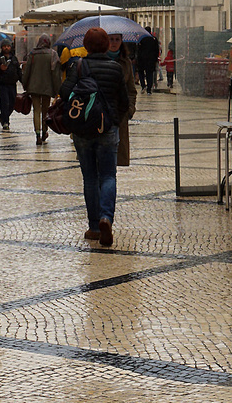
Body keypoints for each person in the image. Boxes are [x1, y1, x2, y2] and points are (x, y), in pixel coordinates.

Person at [60, 28, 128, 248]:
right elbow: (124, 101)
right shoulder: (115, 68)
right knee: (108, 176)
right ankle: (106, 217)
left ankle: (94, 227)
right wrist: (115, 120)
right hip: (107, 128)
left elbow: (64, 92)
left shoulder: (78, 66)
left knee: (90, 177)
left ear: (86, 46)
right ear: (107, 45)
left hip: (82, 129)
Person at [23, 35, 61, 145]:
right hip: (47, 87)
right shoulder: (53, 54)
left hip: (33, 87)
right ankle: (45, 131)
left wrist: (25, 85)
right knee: (45, 110)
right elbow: (55, 74)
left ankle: (38, 134)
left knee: (36, 110)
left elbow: (27, 71)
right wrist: (57, 89)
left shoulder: (32, 54)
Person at [106, 33, 137, 167]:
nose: (114, 42)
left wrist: (130, 109)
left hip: (120, 114)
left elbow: (131, 90)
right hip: (101, 113)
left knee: (116, 158)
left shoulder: (126, 62)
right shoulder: (99, 59)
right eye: (111, 39)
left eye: (117, 39)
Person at [0, 42, 20, 131]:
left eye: (8, 46)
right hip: (2, 84)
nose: (6, 48)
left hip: (12, 84)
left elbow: (18, 70)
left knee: (12, 103)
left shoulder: (14, 58)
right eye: (4, 46)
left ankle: (2, 116)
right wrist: (0, 68)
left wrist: (23, 81)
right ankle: (5, 122)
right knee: (4, 103)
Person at [136, 28, 160, 93]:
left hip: (142, 60)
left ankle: (143, 86)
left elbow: (138, 50)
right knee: (149, 74)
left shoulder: (140, 39)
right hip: (151, 60)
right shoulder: (154, 39)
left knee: (141, 73)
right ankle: (149, 89)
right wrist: (155, 59)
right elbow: (156, 50)